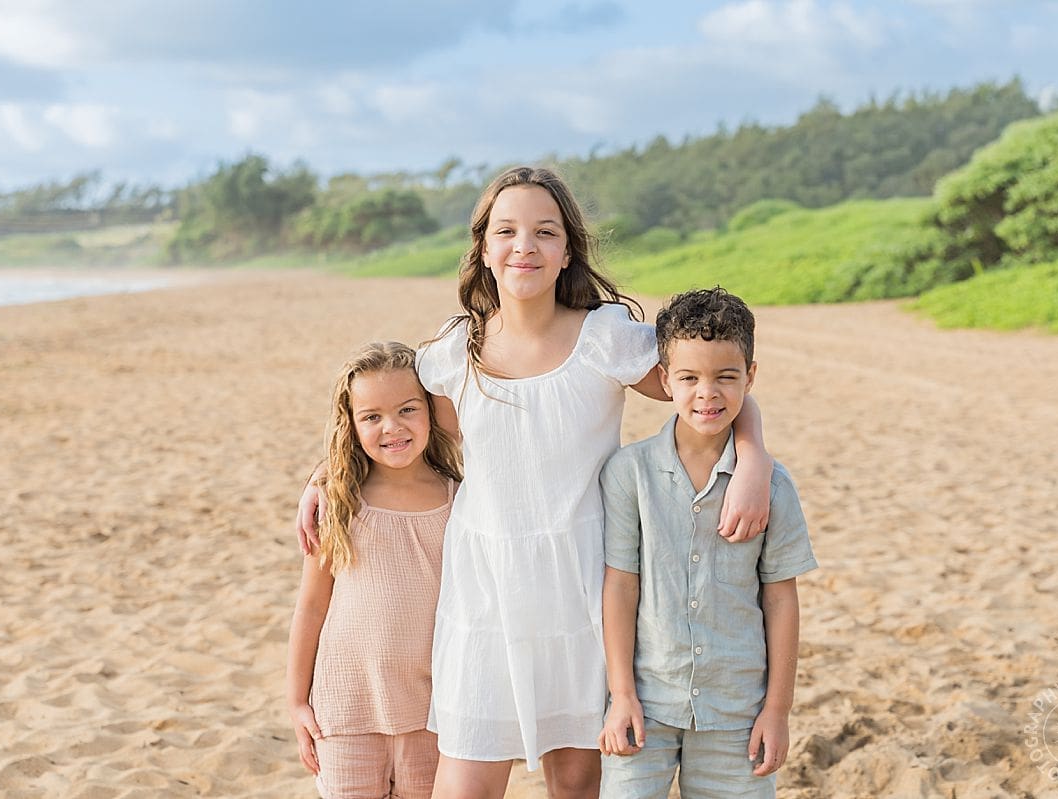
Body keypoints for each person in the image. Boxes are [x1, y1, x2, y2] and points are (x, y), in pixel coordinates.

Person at [297, 167, 774, 799]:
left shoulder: (606, 338)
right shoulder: (455, 351)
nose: (525, 245)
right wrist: (325, 473)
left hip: (582, 586)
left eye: (545, 231)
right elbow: (387, 422)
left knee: (574, 784)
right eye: (507, 231)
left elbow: (706, 385)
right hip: (483, 590)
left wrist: (754, 458)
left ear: (567, 250)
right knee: (465, 783)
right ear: (483, 249)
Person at [597, 287, 818, 798]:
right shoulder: (629, 473)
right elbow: (621, 586)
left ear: (750, 377)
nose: (707, 393)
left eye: (726, 377)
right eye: (689, 378)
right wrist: (621, 694)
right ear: (664, 380)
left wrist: (777, 710)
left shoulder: (773, 486)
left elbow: (781, 598)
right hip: (647, 704)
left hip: (737, 711)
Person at [287, 341, 462, 799]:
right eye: (372, 416)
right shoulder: (338, 501)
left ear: (431, 410)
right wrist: (297, 701)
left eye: (407, 409)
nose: (392, 427)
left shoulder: (459, 500)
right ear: (351, 424)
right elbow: (311, 606)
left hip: (433, 712)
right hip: (345, 710)